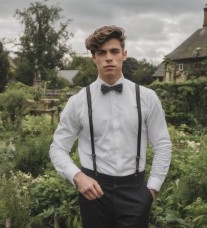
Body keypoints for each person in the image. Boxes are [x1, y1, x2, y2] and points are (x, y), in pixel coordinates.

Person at [49, 25, 172, 228]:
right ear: (94, 58)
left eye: (114, 51)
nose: (108, 57)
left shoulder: (147, 98)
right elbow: (57, 148)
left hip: (135, 191)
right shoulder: (78, 101)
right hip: (94, 192)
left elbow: (163, 145)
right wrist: (77, 176)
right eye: (101, 53)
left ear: (124, 54)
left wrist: (152, 189)